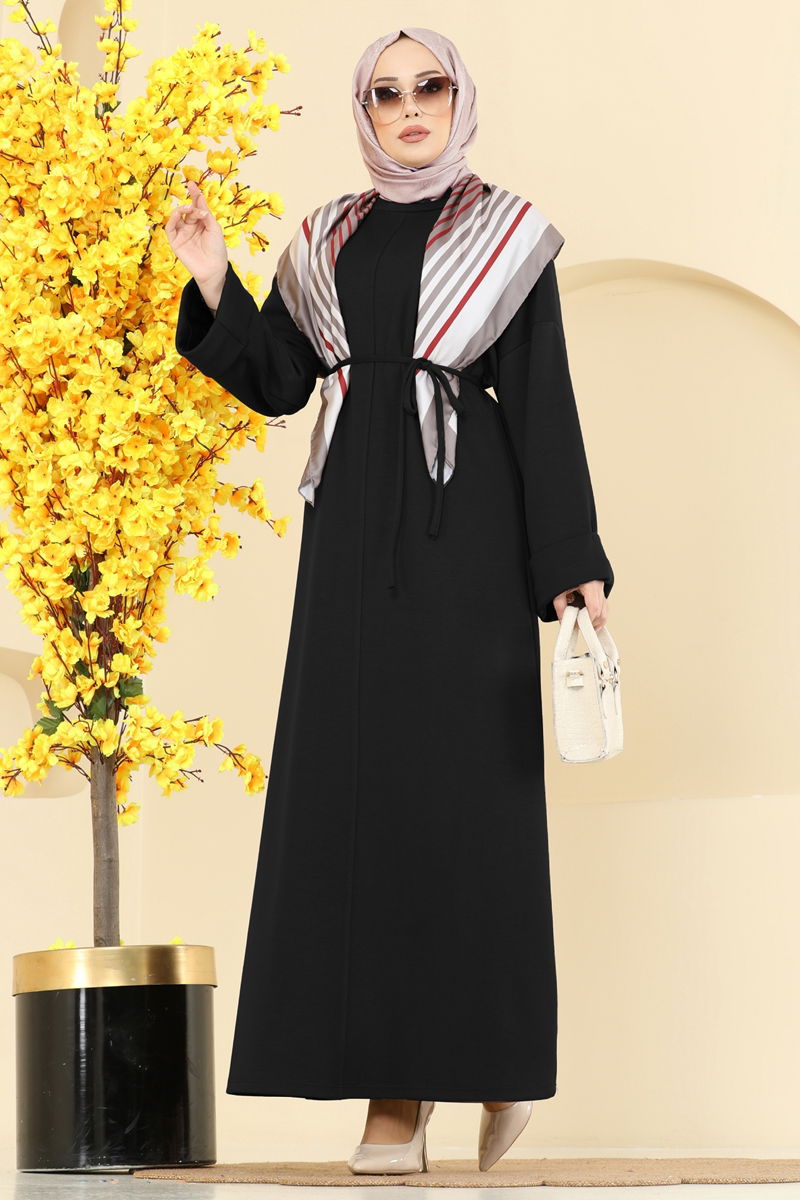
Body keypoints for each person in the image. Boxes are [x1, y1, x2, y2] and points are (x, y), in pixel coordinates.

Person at [167, 25, 614, 1176]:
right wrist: (212, 274)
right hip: (349, 545)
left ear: (458, 100)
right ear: (362, 111)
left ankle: (495, 1066)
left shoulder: (504, 234)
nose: (408, 107)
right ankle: (394, 1102)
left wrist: (569, 562)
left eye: (429, 87)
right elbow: (279, 383)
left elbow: (542, 403)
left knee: (464, 805)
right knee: (357, 806)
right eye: (384, 92)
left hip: (469, 541)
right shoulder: (326, 238)